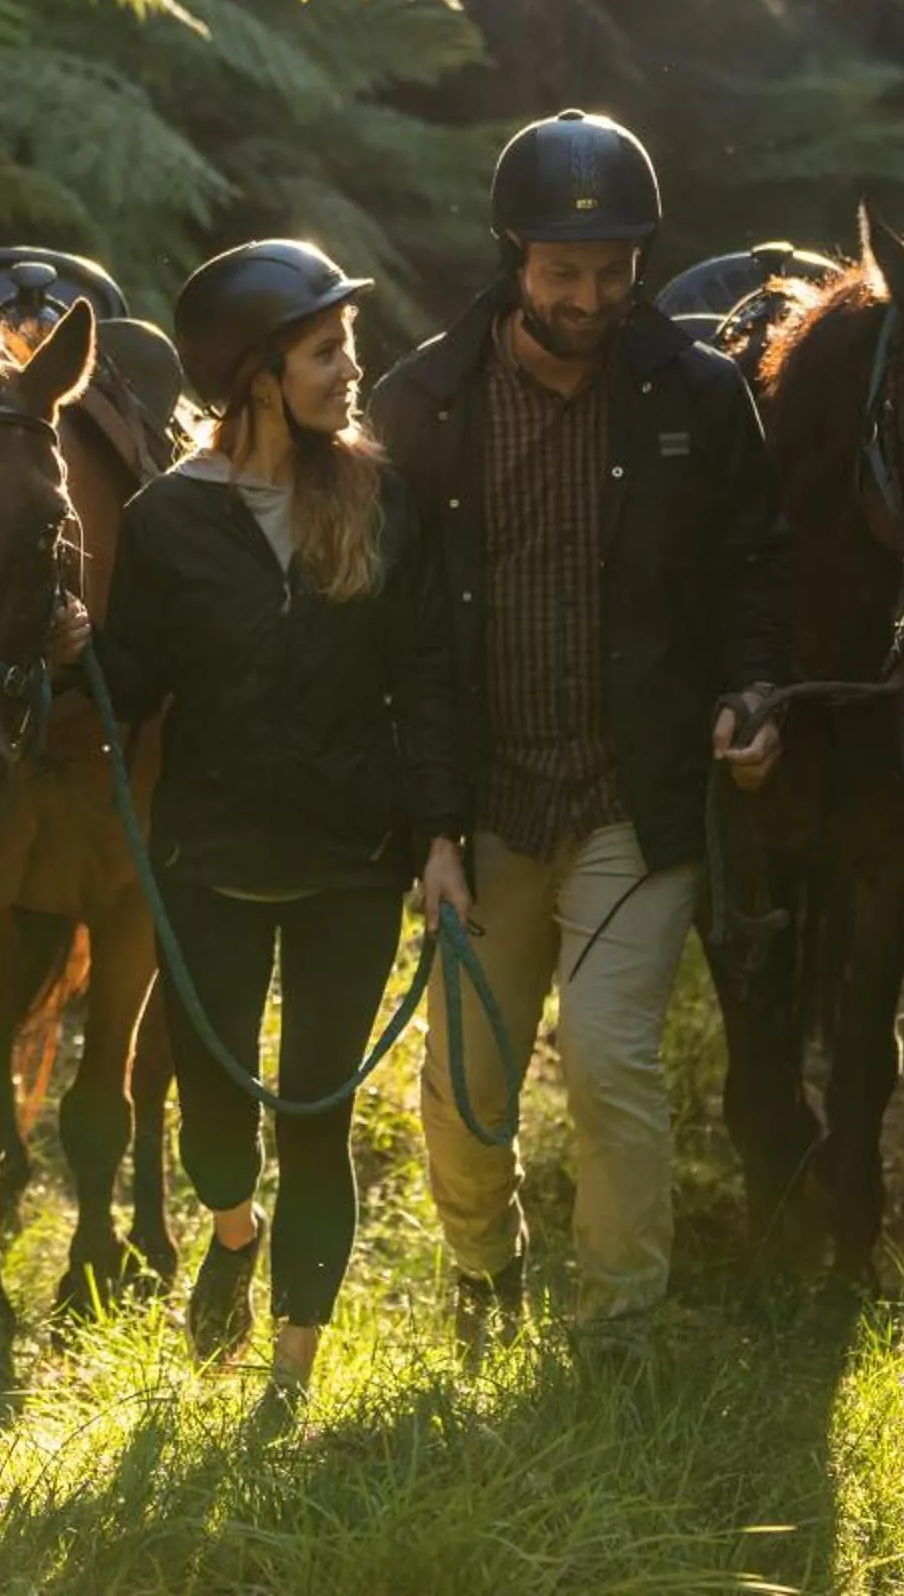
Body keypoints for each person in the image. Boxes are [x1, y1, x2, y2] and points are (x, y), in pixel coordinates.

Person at [368, 108, 790, 1342]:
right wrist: (431, 826)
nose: (592, 296)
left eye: (615, 272)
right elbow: (404, 644)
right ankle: (483, 1273)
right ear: (514, 256)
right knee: (463, 1084)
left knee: (611, 1062)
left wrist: (754, 694)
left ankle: (618, 1324)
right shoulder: (425, 404)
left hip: (633, 798)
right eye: (564, 273)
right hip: (485, 804)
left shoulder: (701, 399)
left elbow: (756, 570)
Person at [64, 238, 465, 1406]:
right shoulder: (168, 520)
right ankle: (233, 1235)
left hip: (352, 863)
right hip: (209, 863)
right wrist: (72, 656)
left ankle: (288, 1381)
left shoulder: (382, 498)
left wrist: (439, 837)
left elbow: (427, 675)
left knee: (318, 1125)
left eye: (346, 344)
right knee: (215, 1139)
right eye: (324, 349)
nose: (351, 367)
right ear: (254, 374)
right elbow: (135, 683)